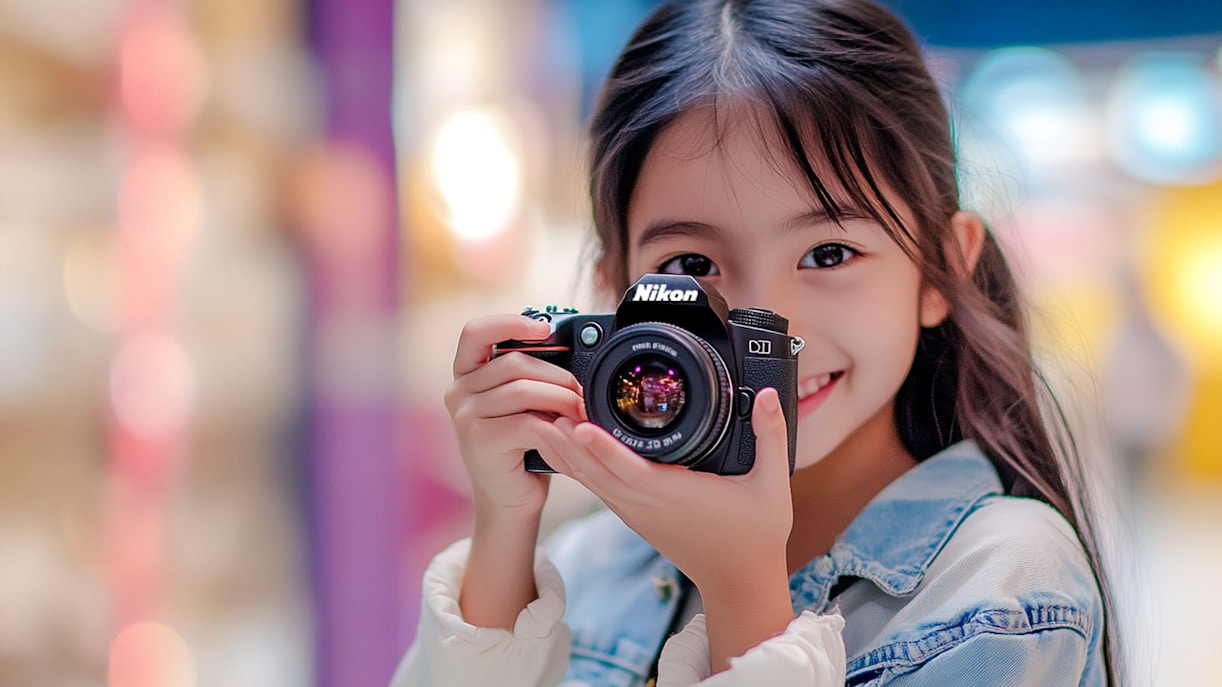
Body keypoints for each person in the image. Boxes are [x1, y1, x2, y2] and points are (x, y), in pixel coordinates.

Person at [393, 0, 1119, 684]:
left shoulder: (1003, 584)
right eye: (691, 268)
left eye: (829, 254)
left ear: (941, 270)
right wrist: (506, 529)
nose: (771, 320)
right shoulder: (594, 557)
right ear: (618, 291)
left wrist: (741, 588)